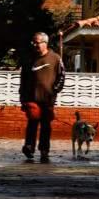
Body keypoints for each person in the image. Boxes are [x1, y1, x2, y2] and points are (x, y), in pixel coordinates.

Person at [19, 31, 65, 162]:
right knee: (32, 121)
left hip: (48, 99)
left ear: (45, 43)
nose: (34, 45)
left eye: (37, 42)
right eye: (33, 42)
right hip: (31, 98)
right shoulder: (29, 60)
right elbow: (23, 80)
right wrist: (22, 97)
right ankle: (29, 147)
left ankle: (44, 151)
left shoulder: (55, 58)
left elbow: (62, 76)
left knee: (46, 126)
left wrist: (55, 89)